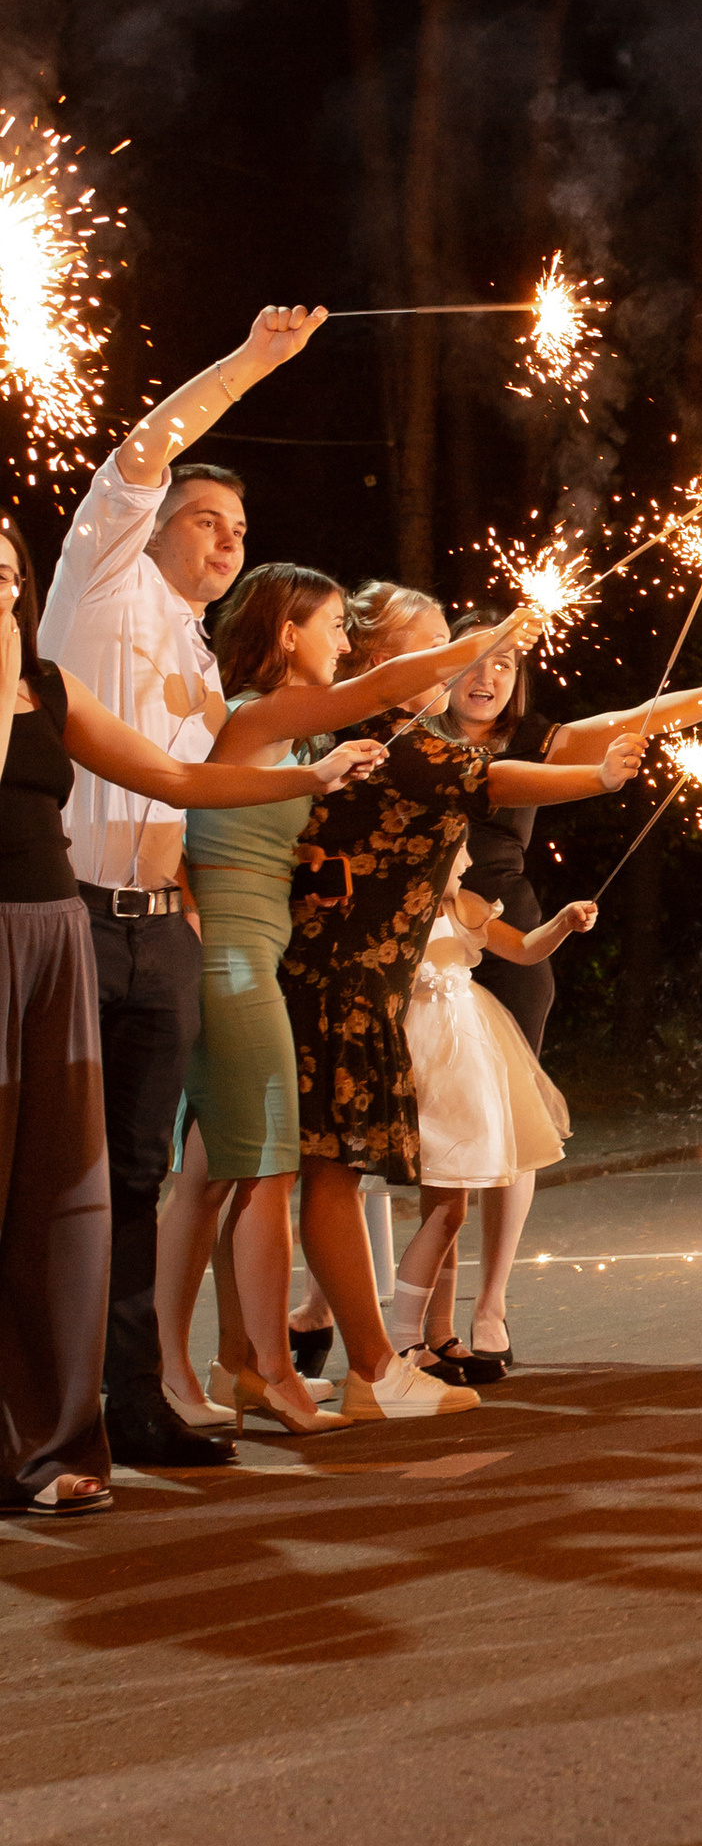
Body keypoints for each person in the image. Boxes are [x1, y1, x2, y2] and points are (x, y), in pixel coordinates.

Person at [0, 505, 378, 1512]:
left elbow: (171, 777)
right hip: (45, 928)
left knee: (114, 1184)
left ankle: (108, 1415)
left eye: (5, 572)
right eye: (206, 521)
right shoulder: (86, 614)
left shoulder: (84, 680)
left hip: (117, 935)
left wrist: (307, 786)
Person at [35, 301, 328, 1471]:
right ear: (144, 529)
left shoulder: (201, 650)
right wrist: (251, 363)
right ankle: (44, 1415)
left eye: (238, 527)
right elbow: (147, 448)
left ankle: (132, 1397)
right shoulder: (97, 589)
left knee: (143, 1178)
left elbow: (201, 778)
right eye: (203, 521)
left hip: (160, 934)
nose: (225, 540)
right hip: (71, 920)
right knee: (54, 1180)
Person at [160, 563, 532, 1436]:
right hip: (242, 962)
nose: (340, 641)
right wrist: (489, 638)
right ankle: (246, 1372)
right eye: (330, 625)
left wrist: (317, 857)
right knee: (243, 1174)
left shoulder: (295, 736)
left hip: (264, 953)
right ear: (289, 633)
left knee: (222, 1174)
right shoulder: (273, 711)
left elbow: (262, 836)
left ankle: (229, 1365)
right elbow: (383, 692)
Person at [280, 582, 641, 1420]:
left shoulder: (380, 735)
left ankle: (354, 1350)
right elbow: (491, 781)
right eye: (439, 646)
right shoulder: (387, 739)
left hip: (371, 983)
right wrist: (595, 778)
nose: (458, 663)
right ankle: (367, 1359)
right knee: (321, 1174)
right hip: (352, 983)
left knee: (341, 1175)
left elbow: (494, 896)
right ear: (378, 660)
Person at [425, 627, 702, 1373]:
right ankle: (379, 1313)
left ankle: (489, 1306)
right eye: (473, 659)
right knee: (424, 1127)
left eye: (505, 663)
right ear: (439, 668)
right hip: (422, 939)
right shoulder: (407, 740)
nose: (487, 675)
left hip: (508, 933)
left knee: (510, 1125)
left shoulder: (531, 740)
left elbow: (636, 718)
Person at [385, 852, 594, 1380]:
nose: (472, 859)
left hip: (464, 1063)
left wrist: (562, 923)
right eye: (459, 848)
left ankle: (439, 1333)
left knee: (450, 1202)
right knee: (446, 1211)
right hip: (421, 1061)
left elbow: (523, 949)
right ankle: (403, 1340)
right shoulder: (395, 908)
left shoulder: (466, 907)